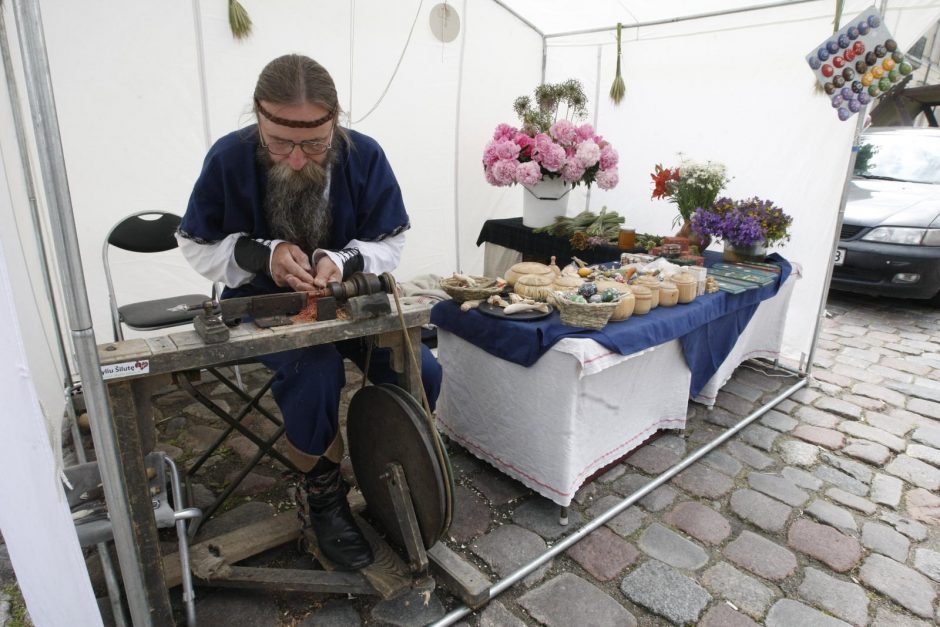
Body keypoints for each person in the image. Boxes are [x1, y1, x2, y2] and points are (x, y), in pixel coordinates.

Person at [177, 53, 442, 571]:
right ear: (258, 118)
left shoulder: (364, 156)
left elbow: (391, 239)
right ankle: (322, 493)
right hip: (261, 301)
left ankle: (392, 470)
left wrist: (341, 259)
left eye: (314, 143)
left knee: (421, 368)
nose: (296, 158)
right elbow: (194, 244)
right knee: (312, 370)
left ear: (335, 123)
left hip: (349, 297)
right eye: (279, 142)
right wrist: (263, 254)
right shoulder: (229, 158)